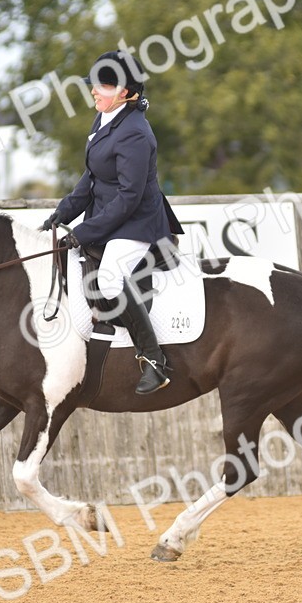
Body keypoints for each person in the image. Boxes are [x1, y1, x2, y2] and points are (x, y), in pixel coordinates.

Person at [39, 50, 183, 395]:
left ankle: (154, 361)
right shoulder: (105, 118)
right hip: (110, 218)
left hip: (138, 224)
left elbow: (129, 197)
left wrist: (86, 231)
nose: (93, 91)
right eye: (94, 85)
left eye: (102, 86)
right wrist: (64, 212)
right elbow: (91, 178)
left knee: (109, 278)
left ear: (126, 92)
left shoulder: (134, 132)